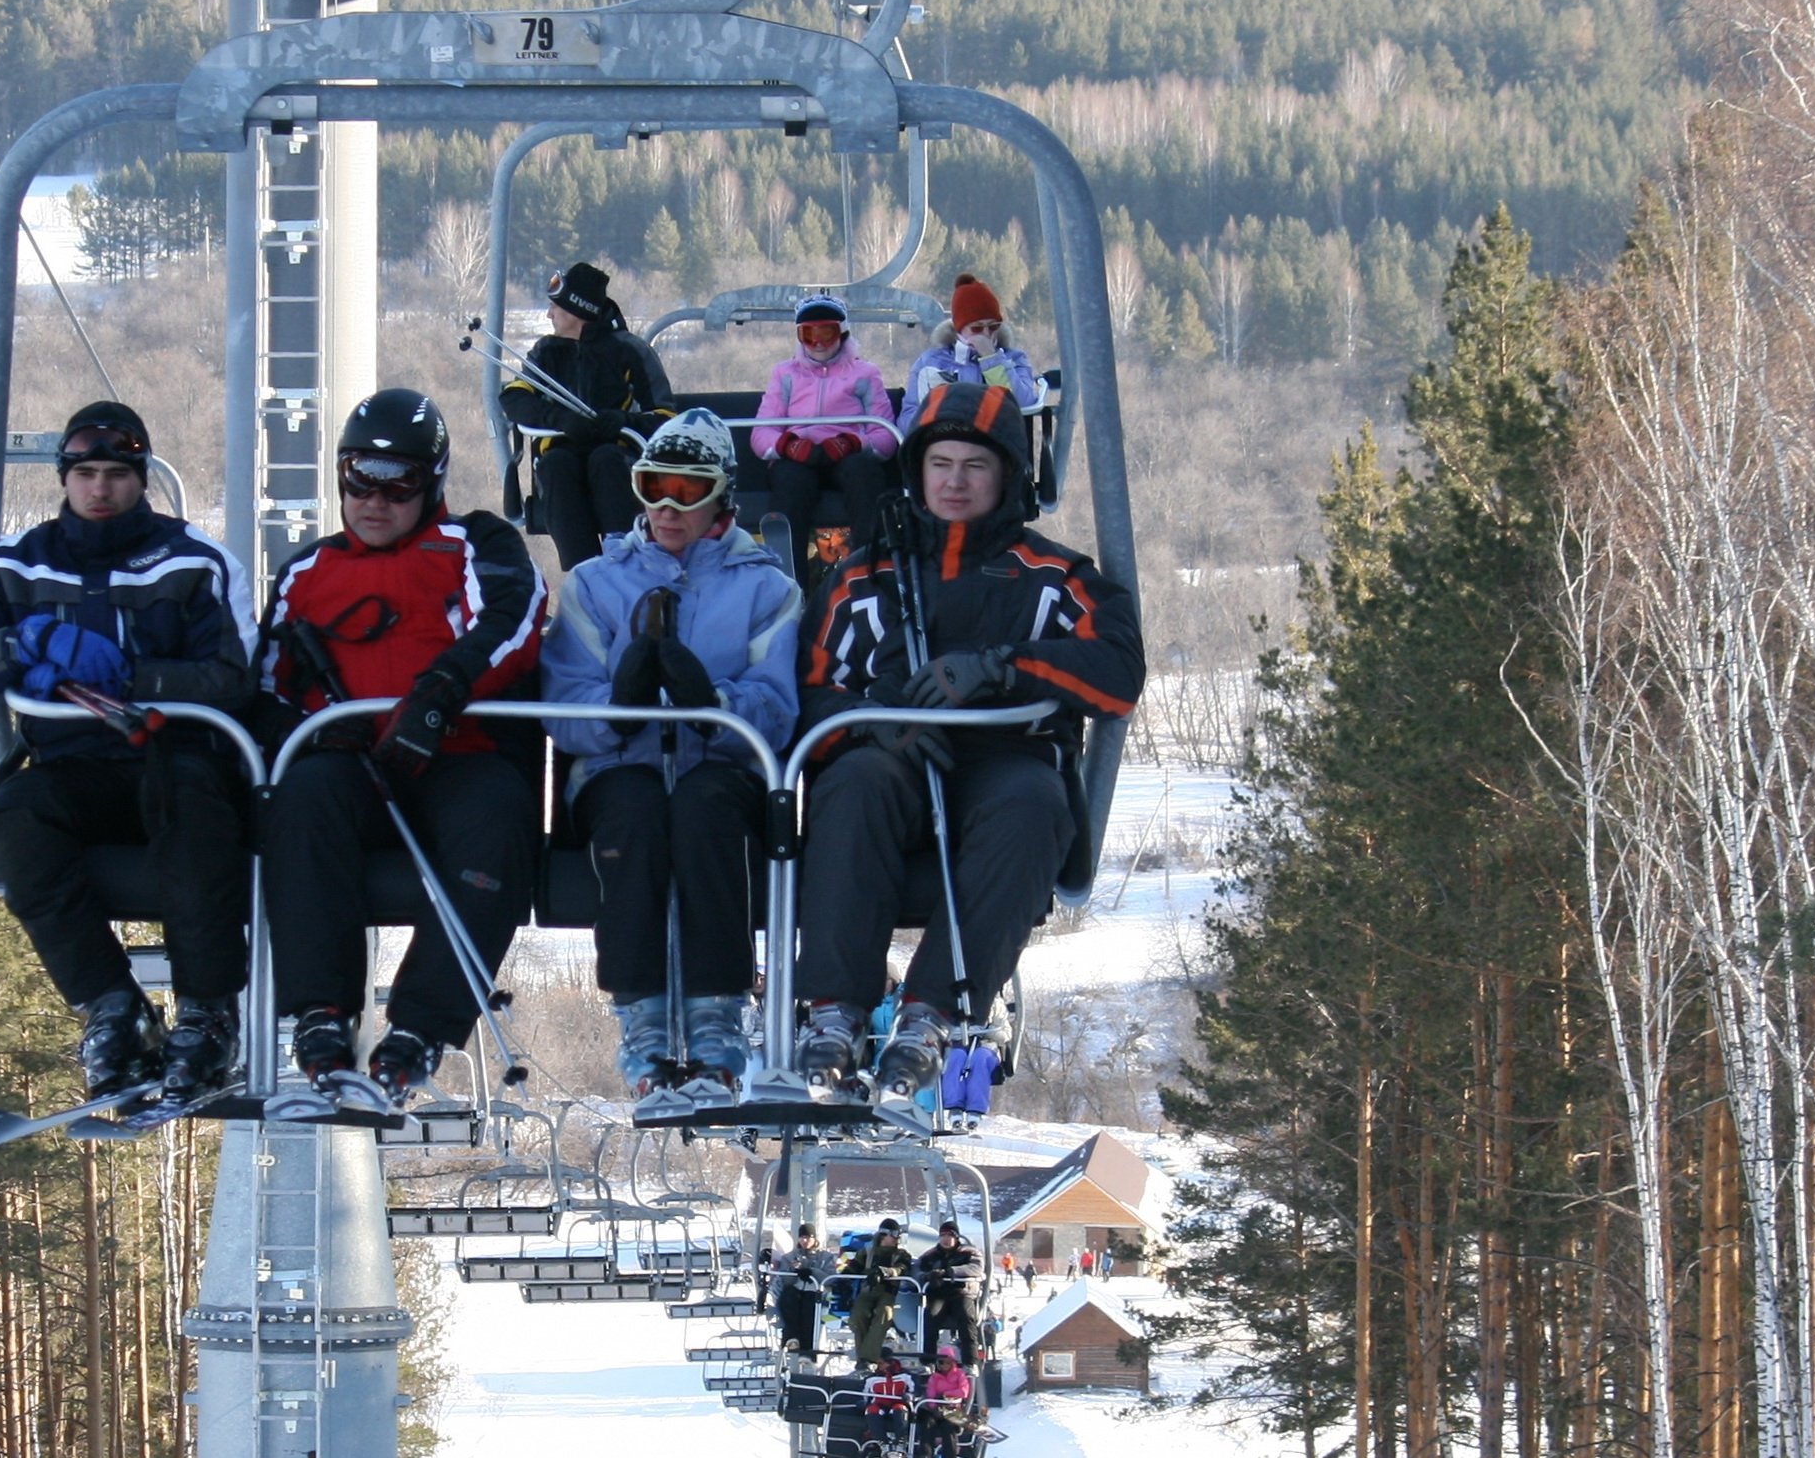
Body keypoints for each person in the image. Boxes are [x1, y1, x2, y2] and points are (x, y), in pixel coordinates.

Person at [789, 380, 1145, 1108]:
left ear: (1006, 476)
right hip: (893, 759)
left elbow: (1116, 673)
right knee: (852, 786)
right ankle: (833, 1011)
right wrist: (871, 719)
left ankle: (933, 1015)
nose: (955, 481)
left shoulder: (1052, 579)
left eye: (974, 466)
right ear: (916, 471)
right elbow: (804, 693)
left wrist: (1001, 668)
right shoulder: (862, 576)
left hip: (1001, 760)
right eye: (940, 463)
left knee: (1031, 804)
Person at [0, 401, 258, 1104]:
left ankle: (205, 1011)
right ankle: (111, 1005)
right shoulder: (14, 567)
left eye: (115, 475)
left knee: (196, 820)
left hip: (173, 755)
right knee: (18, 824)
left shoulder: (192, 563)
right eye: (85, 474)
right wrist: (18, 644)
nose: (99, 490)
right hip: (74, 764)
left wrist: (133, 677)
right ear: (64, 479)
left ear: (141, 480)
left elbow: (234, 679)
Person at [250, 389, 548, 1119]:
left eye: (399, 483)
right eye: (360, 478)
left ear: (433, 483)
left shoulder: (473, 544)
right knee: (302, 799)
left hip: (457, 753)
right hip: (353, 762)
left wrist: (441, 692)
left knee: (497, 818)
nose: (376, 500)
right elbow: (264, 685)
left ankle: (418, 1027)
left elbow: (513, 621)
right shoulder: (307, 574)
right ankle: (321, 1016)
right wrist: (317, 729)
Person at [540, 410, 802, 1114]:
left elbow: (776, 708)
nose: (666, 508)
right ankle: (645, 1023)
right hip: (616, 767)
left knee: (703, 810)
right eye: (652, 487)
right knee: (634, 814)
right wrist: (619, 705)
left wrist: (708, 701)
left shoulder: (766, 588)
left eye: (688, 491)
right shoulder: (596, 584)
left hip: (722, 769)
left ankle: (716, 1025)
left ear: (721, 497)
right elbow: (564, 702)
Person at [506, 261, 676, 570]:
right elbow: (515, 398)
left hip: (620, 455)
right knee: (557, 464)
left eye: (555, 307)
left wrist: (623, 421)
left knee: (606, 460)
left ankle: (622, 561)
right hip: (562, 451)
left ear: (577, 310)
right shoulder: (547, 352)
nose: (548, 315)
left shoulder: (629, 351)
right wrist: (560, 420)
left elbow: (665, 417)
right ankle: (582, 572)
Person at [751, 294, 901, 581]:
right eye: (808, 335)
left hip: (845, 457)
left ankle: (870, 574)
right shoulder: (785, 374)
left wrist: (853, 442)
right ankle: (788, 581)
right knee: (790, 480)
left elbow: (885, 435)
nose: (818, 343)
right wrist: (787, 445)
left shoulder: (864, 373)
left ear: (842, 333)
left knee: (863, 473)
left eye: (826, 333)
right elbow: (762, 432)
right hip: (800, 458)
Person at [895, 274, 1043, 437]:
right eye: (977, 329)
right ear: (959, 329)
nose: (986, 334)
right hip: (944, 445)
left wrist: (991, 359)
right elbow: (907, 421)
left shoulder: (1014, 359)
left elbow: (1022, 404)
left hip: (995, 447)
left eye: (993, 327)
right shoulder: (931, 362)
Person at [843, 1219, 915, 1367]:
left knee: (883, 1315)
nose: (897, 1238)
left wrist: (885, 1272)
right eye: (894, 1234)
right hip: (868, 1291)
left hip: (889, 1292)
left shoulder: (901, 1255)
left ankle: (867, 1358)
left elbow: (902, 1268)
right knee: (858, 1316)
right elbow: (852, 1269)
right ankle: (864, 1357)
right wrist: (841, 1281)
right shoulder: (867, 1253)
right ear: (883, 1235)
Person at [916, 1219, 985, 1365]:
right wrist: (928, 1276)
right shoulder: (930, 1255)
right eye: (943, 1236)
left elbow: (976, 1268)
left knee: (966, 1318)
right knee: (930, 1317)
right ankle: (928, 1362)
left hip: (961, 1293)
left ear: (956, 1237)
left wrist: (949, 1272)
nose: (946, 1239)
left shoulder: (969, 1252)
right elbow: (917, 1269)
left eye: (950, 1236)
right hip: (938, 1294)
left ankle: (970, 1362)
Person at [910, 1347, 976, 1458]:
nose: (942, 1365)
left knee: (948, 1428)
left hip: (953, 1411)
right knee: (927, 1425)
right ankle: (925, 1456)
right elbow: (931, 1395)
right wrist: (935, 1405)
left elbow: (963, 1392)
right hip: (938, 1410)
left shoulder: (959, 1375)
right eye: (940, 1362)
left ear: (951, 1362)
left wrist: (947, 1396)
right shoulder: (935, 1377)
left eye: (945, 1362)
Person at [771, 1223, 836, 1357]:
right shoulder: (789, 1257)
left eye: (808, 1237)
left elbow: (831, 1279)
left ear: (814, 1239)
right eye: (802, 1238)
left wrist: (812, 1271)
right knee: (788, 1300)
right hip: (795, 1291)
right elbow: (784, 1280)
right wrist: (793, 1270)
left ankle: (807, 1353)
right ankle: (792, 1338)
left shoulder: (825, 1257)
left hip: (816, 1293)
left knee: (809, 1310)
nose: (804, 1241)